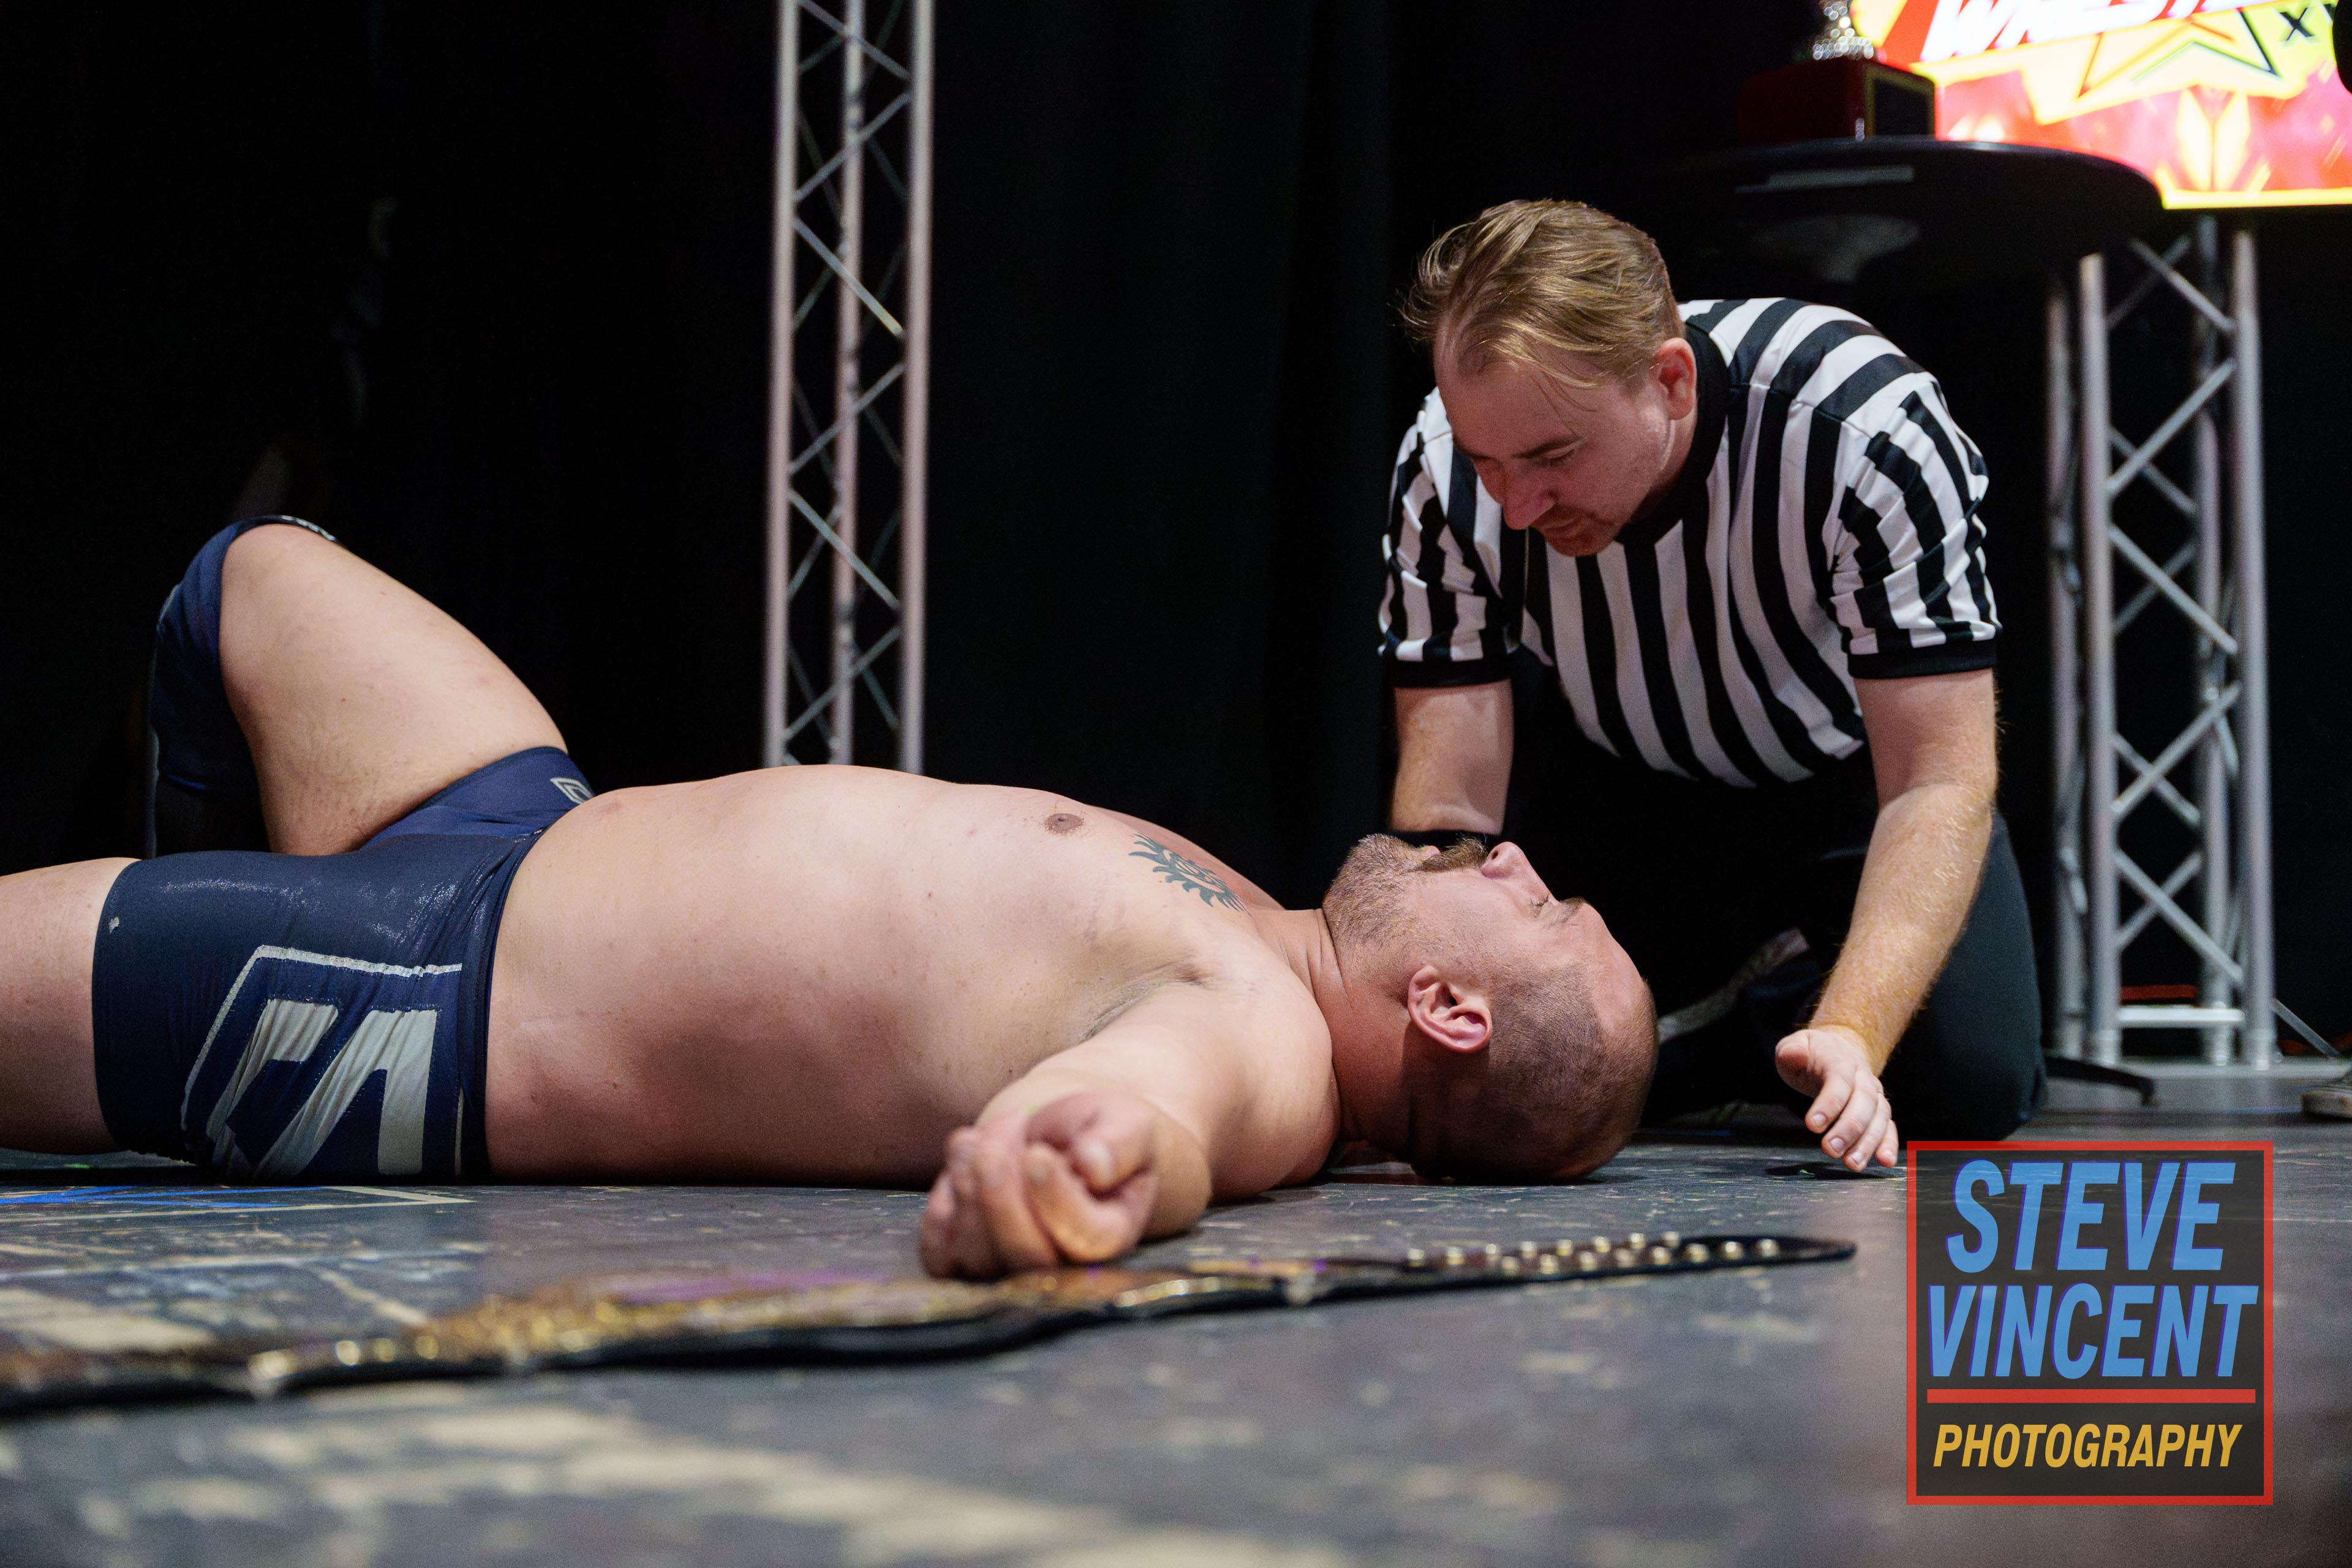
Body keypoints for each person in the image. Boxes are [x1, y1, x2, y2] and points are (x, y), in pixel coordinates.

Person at [0, 519, 1656, 1279]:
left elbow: (1159, 1109)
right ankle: (186, 927)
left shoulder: (1269, 1045)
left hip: (429, 1004)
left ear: (1451, 1012)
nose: (1515, 859)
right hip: (513, 833)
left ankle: (184, 999)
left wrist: (1082, 1162)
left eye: (1542, 909)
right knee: (250, 579)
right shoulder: (1258, 925)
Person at [1381, 199, 2043, 1172]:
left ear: (1672, 379)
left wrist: (1852, 1032)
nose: (1517, 508)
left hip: (1848, 788)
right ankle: (1740, 1014)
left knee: (1969, 1085)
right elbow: (1450, 802)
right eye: (1490, 464)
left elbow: (1939, 779)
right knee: (1513, 1086)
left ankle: (1767, 1007)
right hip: (1622, 787)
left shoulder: (1863, 427)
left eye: (1553, 458)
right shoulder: (1440, 466)